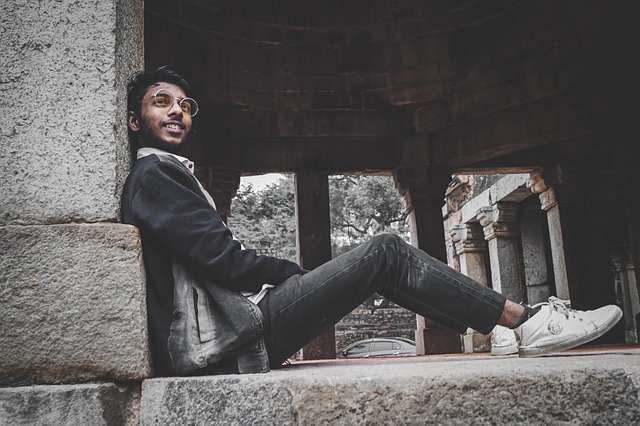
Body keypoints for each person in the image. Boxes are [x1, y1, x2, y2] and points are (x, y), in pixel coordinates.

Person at [121, 66, 623, 376]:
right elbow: (225, 262)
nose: (178, 111)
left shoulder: (162, 174)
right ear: (133, 120)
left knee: (385, 259)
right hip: (220, 345)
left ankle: (502, 327)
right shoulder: (155, 173)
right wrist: (295, 276)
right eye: (161, 102)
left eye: (185, 105)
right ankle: (525, 321)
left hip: (228, 337)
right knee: (385, 251)